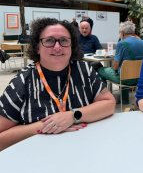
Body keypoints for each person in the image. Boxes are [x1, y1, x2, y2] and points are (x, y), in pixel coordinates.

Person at [0, 18, 116, 151]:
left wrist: (72, 115)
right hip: (37, 157)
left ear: (72, 46)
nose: (57, 47)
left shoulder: (84, 70)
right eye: (49, 40)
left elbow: (109, 103)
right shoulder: (21, 82)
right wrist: (46, 125)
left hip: (82, 150)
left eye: (64, 40)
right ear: (37, 47)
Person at [98, 21, 143, 104]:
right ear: (133, 32)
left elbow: (115, 67)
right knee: (124, 71)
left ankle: (104, 98)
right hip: (140, 78)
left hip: (125, 79)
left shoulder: (121, 44)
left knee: (101, 70)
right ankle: (124, 99)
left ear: (122, 32)